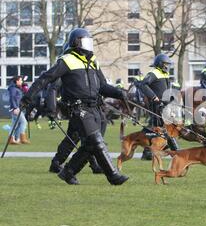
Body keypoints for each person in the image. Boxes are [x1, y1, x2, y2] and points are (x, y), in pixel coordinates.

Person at [20, 27, 129, 185]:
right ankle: (113, 175)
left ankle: (68, 172)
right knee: (97, 141)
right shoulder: (67, 60)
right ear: (76, 43)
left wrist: (119, 93)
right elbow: (46, 79)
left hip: (95, 108)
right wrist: (28, 96)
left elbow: (102, 86)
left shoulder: (93, 62)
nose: (88, 45)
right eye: (85, 41)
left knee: (89, 145)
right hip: (78, 109)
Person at [136, 53, 179, 158]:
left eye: (168, 64)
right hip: (155, 105)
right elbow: (143, 85)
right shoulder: (153, 72)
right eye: (165, 64)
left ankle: (147, 152)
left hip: (164, 104)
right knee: (162, 126)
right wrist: (153, 97)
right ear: (160, 64)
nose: (167, 66)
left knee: (156, 127)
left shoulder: (165, 74)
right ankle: (176, 152)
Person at [7, 75, 30, 145]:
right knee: (23, 122)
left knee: (15, 124)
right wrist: (15, 108)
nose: (22, 81)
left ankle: (15, 139)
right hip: (16, 109)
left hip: (18, 108)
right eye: (20, 80)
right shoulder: (13, 88)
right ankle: (22, 138)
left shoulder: (17, 88)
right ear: (17, 81)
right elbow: (12, 98)